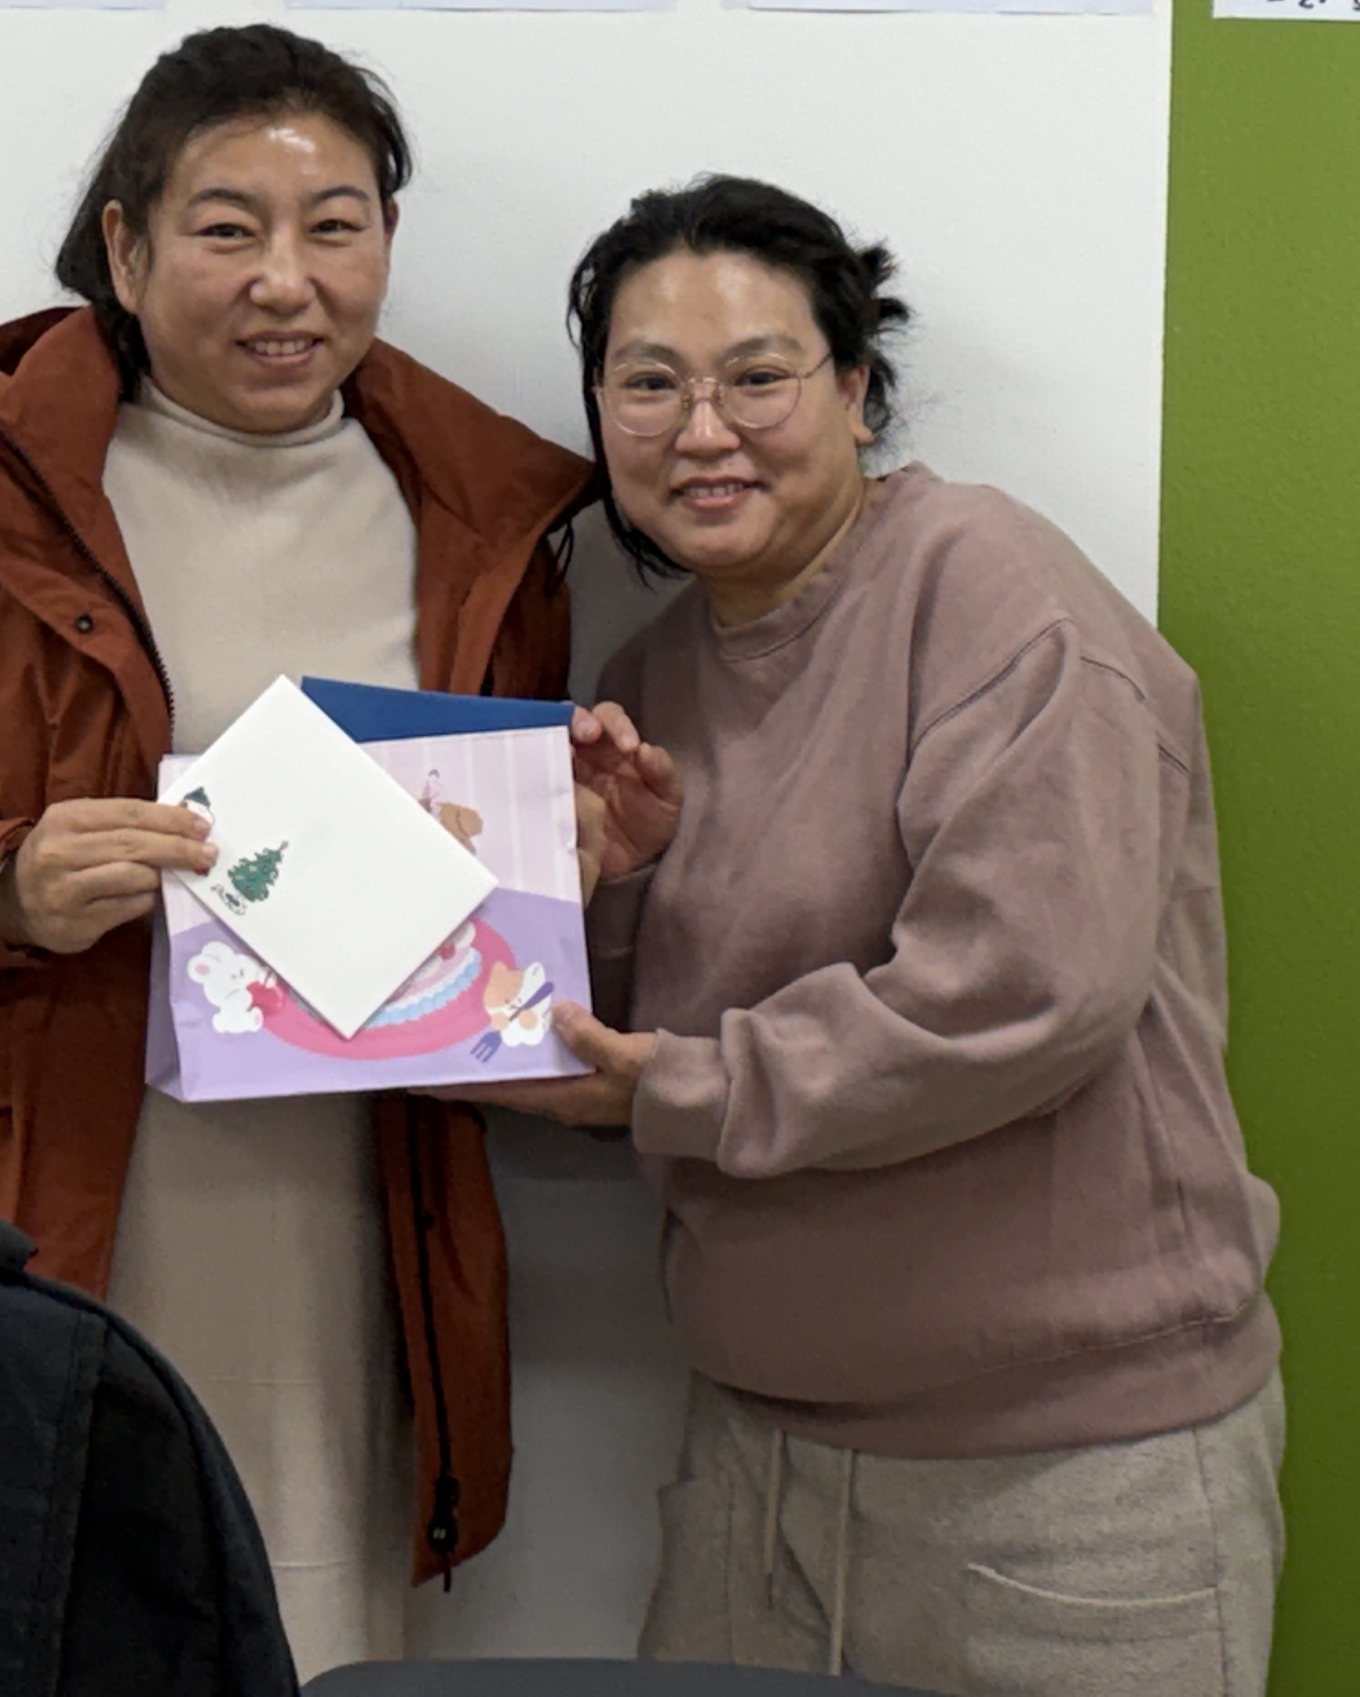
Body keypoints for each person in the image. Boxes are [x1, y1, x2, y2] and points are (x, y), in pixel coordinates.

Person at [0, 25, 588, 1664]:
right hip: (8, 1205)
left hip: (344, 1231)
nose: (286, 281)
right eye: (228, 227)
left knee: (296, 1630)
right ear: (125, 243)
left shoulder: (487, 530)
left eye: (336, 226)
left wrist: (582, 859)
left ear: (387, 241)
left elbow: (485, 903)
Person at [500, 176, 1286, 1697]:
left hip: (1068, 1479)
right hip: (755, 1458)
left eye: (757, 376)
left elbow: (1026, 995)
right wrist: (608, 886)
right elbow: (623, 1057)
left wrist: (676, 1085)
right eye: (648, 385)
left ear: (856, 391)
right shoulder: (648, 682)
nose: (702, 430)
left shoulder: (993, 593)